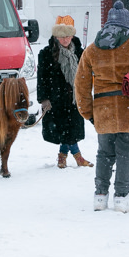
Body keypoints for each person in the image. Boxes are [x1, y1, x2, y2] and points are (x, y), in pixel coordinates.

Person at [74, 0, 129, 213]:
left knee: (104, 153)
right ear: (127, 24)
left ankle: (100, 196)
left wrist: (87, 111)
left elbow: (81, 83)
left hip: (103, 110)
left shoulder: (92, 49)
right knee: (126, 154)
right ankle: (121, 197)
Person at [38, 15, 92, 169]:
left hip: (74, 98)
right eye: (61, 36)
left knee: (70, 130)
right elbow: (41, 78)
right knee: (64, 129)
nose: (65, 40)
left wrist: (86, 93)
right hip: (56, 99)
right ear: (56, 36)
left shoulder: (80, 53)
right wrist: (44, 99)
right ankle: (77, 157)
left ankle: (63, 155)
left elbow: (86, 75)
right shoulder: (47, 53)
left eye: (68, 36)